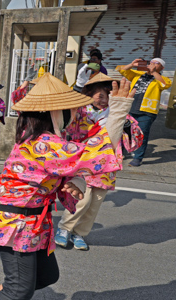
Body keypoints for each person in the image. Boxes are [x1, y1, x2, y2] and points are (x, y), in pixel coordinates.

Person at [0, 73, 128, 300]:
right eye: (68, 109)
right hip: (18, 224)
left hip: (33, 221)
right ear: (55, 112)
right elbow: (93, 153)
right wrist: (118, 112)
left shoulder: (44, 138)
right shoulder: (44, 143)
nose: (74, 114)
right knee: (20, 288)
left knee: (47, 277)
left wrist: (73, 181)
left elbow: (82, 152)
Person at [55, 73, 141, 250]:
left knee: (95, 203)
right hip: (84, 159)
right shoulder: (81, 111)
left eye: (107, 95)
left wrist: (123, 123)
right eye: (99, 95)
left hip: (107, 162)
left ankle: (80, 233)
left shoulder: (117, 112)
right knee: (82, 199)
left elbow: (135, 137)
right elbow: (68, 124)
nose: (103, 100)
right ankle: (64, 229)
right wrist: (77, 87)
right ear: (89, 94)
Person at [116, 57, 171, 167]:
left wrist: (154, 72)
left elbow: (165, 84)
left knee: (141, 135)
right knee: (125, 132)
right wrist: (132, 64)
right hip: (131, 108)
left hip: (147, 111)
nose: (153, 64)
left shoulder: (162, 78)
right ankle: (120, 153)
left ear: (162, 67)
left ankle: (137, 158)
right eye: (151, 62)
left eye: (156, 63)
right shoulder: (138, 74)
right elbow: (121, 70)